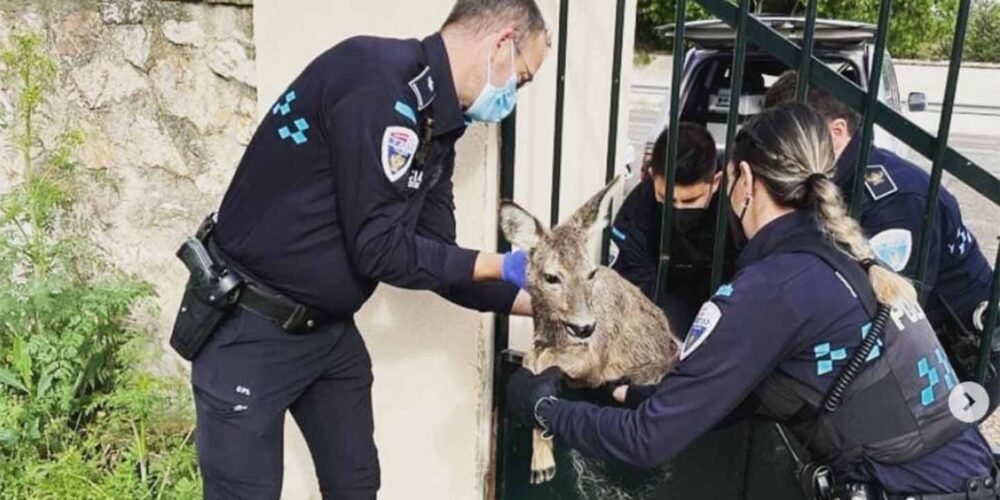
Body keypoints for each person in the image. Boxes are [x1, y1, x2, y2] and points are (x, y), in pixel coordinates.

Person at [506, 103, 998, 499]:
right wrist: (644, 397)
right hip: (964, 476)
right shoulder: (840, 256)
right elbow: (746, 387)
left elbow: (646, 443)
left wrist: (544, 408)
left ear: (743, 179)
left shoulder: (773, 288)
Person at [177, 1, 548, 498]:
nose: (513, 96)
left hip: (327, 334)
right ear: (502, 42)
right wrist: (504, 264)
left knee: (355, 485)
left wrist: (539, 301)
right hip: (250, 329)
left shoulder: (437, 124)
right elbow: (379, 250)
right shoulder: (374, 83)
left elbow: (438, 258)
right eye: (521, 79)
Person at [766, 71, 998, 414]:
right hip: (922, 349)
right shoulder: (834, 179)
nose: (779, 151)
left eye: (790, 137)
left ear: (837, 131)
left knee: (922, 452)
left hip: (961, 355)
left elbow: (894, 313)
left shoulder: (893, 199)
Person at [610, 122, 736, 332]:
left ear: (715, 183)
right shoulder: (636, 213)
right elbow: (630, 289)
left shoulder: (736, 204)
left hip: (724, 292)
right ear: (651, 175)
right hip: (661, 293)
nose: (677, 208)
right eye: (666, 198)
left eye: (690, 201)